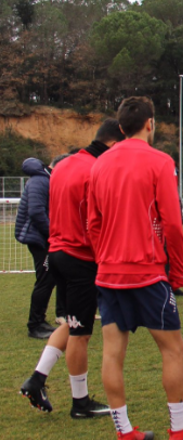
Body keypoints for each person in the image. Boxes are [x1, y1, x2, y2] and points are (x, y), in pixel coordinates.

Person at [88, 97, 183, 440]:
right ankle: (179, 431)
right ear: (150, 124)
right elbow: (173, 223)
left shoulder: (99, 164)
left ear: (119, 127)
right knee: (173, 349)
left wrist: (106, 259)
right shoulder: (160, 161)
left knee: (112, 354)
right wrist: (177, 269)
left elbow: (93, 224)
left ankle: (124, 433)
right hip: (147, 274)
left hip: (109, 275)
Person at [19, 121, 122, 418]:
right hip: (79, 257)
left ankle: (37, 379)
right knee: (81, 332)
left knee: (74, 321)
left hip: (58, 252)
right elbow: (96, 222)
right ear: (114, 144)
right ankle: (80, 403)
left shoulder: (64, 164)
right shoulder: (96, 170)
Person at [15, 156, 68, 339]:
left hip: (42, 238)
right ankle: (35, 325)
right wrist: (52, 235)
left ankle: (40, 321)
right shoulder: (40, 180)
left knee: (49, 279)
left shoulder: (44, 179)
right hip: (39, 240)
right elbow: (36, 211)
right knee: (45, 280)